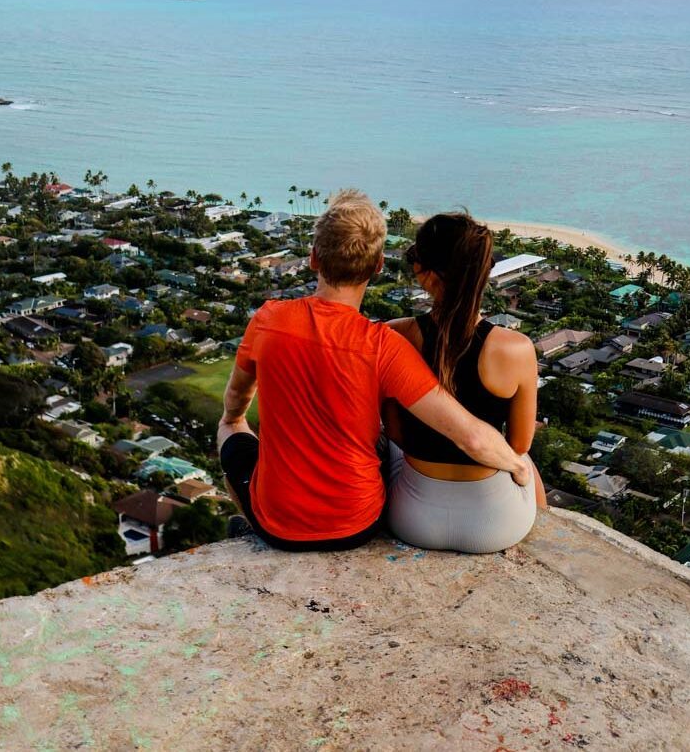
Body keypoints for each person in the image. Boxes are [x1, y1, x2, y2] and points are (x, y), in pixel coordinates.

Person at [217, 190, 531, 552]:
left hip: (281, 528)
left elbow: (237, 397)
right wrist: (517, 466)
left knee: (231, 429)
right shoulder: (384, 345)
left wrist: (235, 418)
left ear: (314, 258)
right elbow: (471, 436)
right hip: (358, 524)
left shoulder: (269, 319)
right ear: (378, 265)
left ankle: (254, 526)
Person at [384, 212, 547, 554]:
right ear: (483, 274)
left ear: (421, 270)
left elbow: (397, 432)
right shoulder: (515, 349)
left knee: (387, 445)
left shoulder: (395, 336)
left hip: (412, 519)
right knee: (525, 460)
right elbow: (518, 443)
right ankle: (543, 524)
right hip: (495, 524)